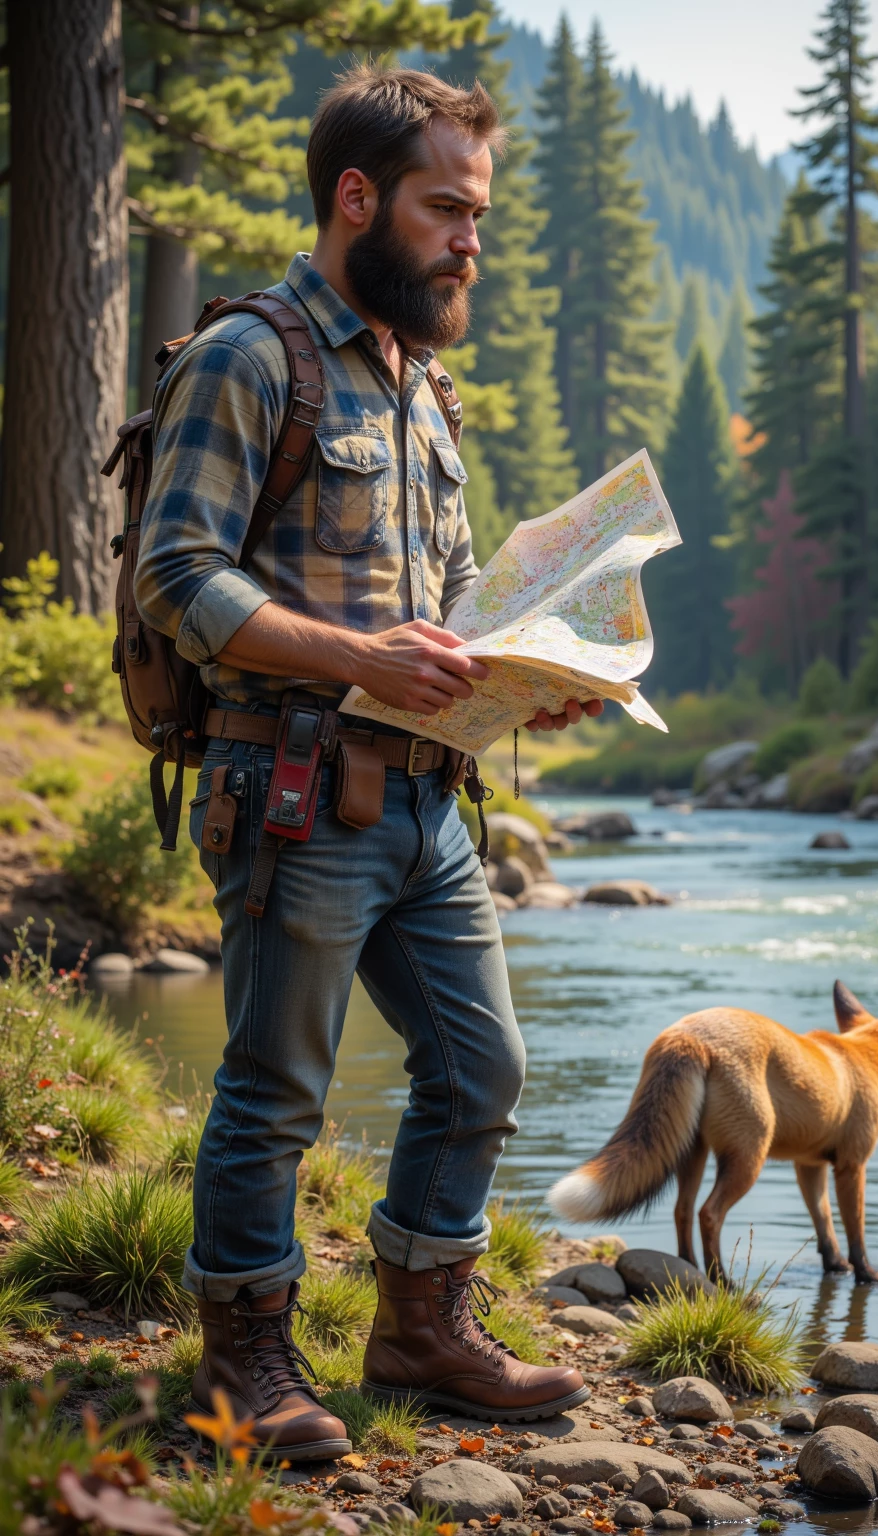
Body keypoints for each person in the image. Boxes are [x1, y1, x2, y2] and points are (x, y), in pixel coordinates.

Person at [135, 64, 601, 1460]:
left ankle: (418, 1331)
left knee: (484, 1071)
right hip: (287, 793)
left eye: (481, 213)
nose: (474, 240)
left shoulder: (422, 386)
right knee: (277, 1088)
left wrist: (527, 683)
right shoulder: (248, 356)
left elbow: (448, 616)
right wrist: (355, 662)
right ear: (356, 199)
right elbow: (174, 574)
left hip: (427, 800)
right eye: (447, 208)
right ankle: (247, 1362)